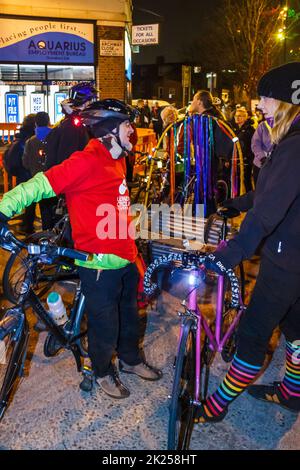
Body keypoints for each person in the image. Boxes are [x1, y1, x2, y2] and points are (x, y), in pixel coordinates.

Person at [0, 98, 162, 399]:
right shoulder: (86, 161)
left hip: (124, 256)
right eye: (128, 125)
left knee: (129, 316)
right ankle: (101, 372)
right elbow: (40, 184)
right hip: (98, 264)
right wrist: (3, 209)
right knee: (105, 325)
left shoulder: (117, 159)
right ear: (110, 131)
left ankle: (129, 359)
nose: (134, 132)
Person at [194, 62, 300, 422]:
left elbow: (268, 212)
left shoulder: (293, 148)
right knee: (296, 327)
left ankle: (215, 405)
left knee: (254, 333)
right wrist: (236, 203)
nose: (260, 106)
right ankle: (291, 392)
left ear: (286, 102)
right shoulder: (292, 143)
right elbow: (273, 192)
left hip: (287, 261)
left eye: (266, 99)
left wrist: (231, 253)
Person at [45, 82, 97, 168]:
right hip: (73, 178)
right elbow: (68, 161)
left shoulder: (69, 122)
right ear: (87, 103)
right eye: (92, 101)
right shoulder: (73, 126)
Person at [22, 111, 57, 230]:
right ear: (49, 122)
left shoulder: (30, 142)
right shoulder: (56, 137)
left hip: (38, 180)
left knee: (43, 208)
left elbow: (25, 163)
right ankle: (56, 232)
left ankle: (45, 233)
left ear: (35, 124)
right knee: (54, 208)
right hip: (54, 178)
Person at [3, 113, 36, 233]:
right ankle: (28, 226)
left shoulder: (21, 136)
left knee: (24, 198)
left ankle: (24, 223)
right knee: (30, 199)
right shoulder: (31, 138)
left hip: (19, 172)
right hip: (26, 172)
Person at [232, 107, 256, 192]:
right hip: (237, 159)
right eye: (236, 116)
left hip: (246, 160)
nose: (237, 118)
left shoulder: (249, 130)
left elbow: (247, 144)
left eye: (240, 116)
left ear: (245, 117)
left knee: (246, 181)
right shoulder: (235, 129)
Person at [251, 117, 273, 185]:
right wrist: (262, 158)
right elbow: (255, 144)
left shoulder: (283, 126)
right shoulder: (263, 125)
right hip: (260, 164)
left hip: (275, 164)